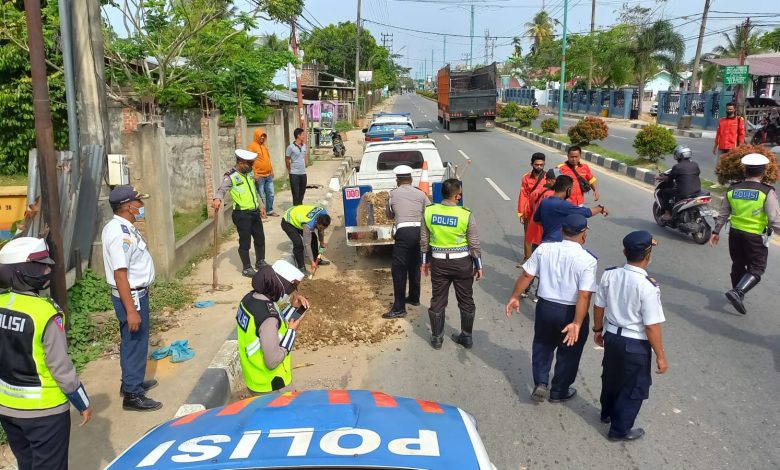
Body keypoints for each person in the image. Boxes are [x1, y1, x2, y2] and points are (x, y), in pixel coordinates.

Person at [0, 237, 92, 470]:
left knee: (27, 464)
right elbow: (61, 368)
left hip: (7, 407)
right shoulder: (46, 313)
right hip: (45, 411)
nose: (47, 270)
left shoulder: (2, 303)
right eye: (41, 265)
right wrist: (81, 401)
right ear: (21, 271)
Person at [505, 214, 597, 403]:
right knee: (569, 352)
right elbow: (584, 295)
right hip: (571, 311)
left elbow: (526, 275)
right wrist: (577, 323)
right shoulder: (588, 260)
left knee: (542, 345)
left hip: (546, 307)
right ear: (584, 234)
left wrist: (514, 297)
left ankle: (541, 382)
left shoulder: (544, 249)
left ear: (562, 231)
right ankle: (559, 391)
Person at [592, 230, 667, 442]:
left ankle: (606, 413)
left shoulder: (610, 274)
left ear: (625, 252)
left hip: (612, 337)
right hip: (635, 343)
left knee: (611, 378)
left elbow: (599, 305)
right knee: (633, 387)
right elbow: (651, 326)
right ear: (648, 254)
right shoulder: (648, 286)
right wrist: (660, 356)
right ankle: (619, 430)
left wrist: (598, 330)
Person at [101, 185, 161, 411]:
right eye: (138, 203)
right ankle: (132, 395)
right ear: (127, 206)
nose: (141, 206)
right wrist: (131, 310)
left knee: (133, 340)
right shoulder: (119, 234)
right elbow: (120, 274)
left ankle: (131, 382)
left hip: (136, 294)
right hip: (132, 296)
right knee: (135, 342)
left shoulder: (122, 227)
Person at [710, 153, 780, 314]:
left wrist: (716, 231)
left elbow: (723, 213)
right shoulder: (766, 191)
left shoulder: (733, 189)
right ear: (763, 172)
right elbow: (774, 219)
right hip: (755, 236)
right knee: (757, 268)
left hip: (735, 234)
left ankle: (737, 294)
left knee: (738, 264)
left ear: (745, 171)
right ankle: (738, 292)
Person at [421, 178, 483, 350]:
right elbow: (474, 243)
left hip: (439, 262)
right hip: (462, 263)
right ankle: (467, 337)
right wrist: (478, 265)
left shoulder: (429, 212)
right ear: (457, 196)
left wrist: (425, 262)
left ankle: (437, 338)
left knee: (438, 299)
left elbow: (424, 240)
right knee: (466, 299)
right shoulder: (465, 214)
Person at [237, 261, 309, 394]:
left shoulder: (250, 299)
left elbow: (275, 321)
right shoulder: (268, 318)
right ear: (280, 285)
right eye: (290, 289)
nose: (290, 293)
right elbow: (272, 361)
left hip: (254, 377)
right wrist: (291, 332)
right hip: (272, 385)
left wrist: (293, 308)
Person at [384, 165, 431, 319]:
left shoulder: (392, 194)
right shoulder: (420, 194)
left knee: (398, 269)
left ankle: (399, 308)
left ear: (397, 180)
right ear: (411, 179)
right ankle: (414, 297)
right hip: (419, 232)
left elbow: (389, 216)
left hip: (403, 232)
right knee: (414, 265)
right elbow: (429, 211)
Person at [213, 149, 267, 277]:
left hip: (254, 213)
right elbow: (222, 189)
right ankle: (246, 268)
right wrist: (217, 199)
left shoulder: (249, 173)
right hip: (242, 215)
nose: (252, 167)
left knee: (260, 238)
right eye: (250, 164)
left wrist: (261, 206)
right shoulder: (230, 176)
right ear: (241, 162)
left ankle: (260, 261)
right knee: (245, 241)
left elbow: (253, 191)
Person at [534, 175, 608, 243]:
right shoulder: (563, 205)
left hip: (544, 242)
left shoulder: (545, 201)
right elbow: (587, 213)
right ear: (568, 190)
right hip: (557, 244)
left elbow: (536, 220)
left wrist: (553, 224)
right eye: (572, 189)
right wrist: (600, 208)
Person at [655, 145, 702, 221]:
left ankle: (667, 213)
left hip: (684, 193)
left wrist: (659, 178)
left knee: (664, 192)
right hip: (697, 191)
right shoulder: (695, 165)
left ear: (678, 155)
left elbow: (669, 178)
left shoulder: (677, 167)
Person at [281, 204, 332, 273]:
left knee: (313, 238)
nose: (321, 229)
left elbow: (321, 230)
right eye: (320, 227)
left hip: (298, 215)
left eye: (323, 228)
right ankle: (301, 268)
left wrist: (322, 242)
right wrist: (311, 261)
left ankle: (317, 259)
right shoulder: (308, 225)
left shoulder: (323, 213)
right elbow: (307, 244)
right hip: (288, 221)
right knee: (298, 244)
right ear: (317, 222)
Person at [518, 153, 548, 261]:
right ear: (532, 164)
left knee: (543, 237)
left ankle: (542, 260)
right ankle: (528, 260)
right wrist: (521, 213)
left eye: (541, 164)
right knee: (528, 236)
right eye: (536, 165)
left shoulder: (548, 177)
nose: (539, 167)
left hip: (544, 212)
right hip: (530, 212)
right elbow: (523, 195)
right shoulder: (525, 178)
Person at [249, 128, 278, 217]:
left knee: (271, 193)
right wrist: (255, 174)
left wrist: (272, 170)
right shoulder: (252, 147)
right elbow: (250, 162)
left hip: (268, 175)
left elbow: (268, 159)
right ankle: (262, 213)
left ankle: (269, 210)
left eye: (263, 136)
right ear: (257, 136)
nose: (262, 138)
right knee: (260, 195)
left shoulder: (264, 146)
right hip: (259, 176)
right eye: (261, 136)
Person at [286, 128, 308, 206]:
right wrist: (289, 169)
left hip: (303, 173)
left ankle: (300, 207)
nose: (304, 136)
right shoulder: (290, 147)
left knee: (302, 193)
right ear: (298, 135)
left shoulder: (304, 146)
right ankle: (295, 209)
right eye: (302, 135)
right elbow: (287, 159)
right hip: (294, 173)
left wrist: (305, 164)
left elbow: (304, 156)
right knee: (296, 193)